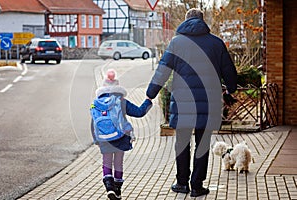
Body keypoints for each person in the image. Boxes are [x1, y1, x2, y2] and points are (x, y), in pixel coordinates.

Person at [146, 8, 237, 197]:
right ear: (202, 21)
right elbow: (229, 70)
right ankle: (197, 185)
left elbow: (162, 70)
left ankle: (181, 183)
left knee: (182, 144)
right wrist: (231, 88)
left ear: (186, 22)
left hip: (182, 102)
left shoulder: (177, 43)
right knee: (202, 144)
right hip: (208, 103)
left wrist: (150, 94)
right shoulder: (216, 43)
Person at [91, 69, 152, 200]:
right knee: (118, 162)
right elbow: (139, 112)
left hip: (104, 138)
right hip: (120, 137)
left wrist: (96, 140)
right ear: (117, 88)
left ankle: (109, 188)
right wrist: (148, 100)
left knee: (106, 162)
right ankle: (117, 191)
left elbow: (94, 122)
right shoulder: (122, 101)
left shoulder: (97, 103)